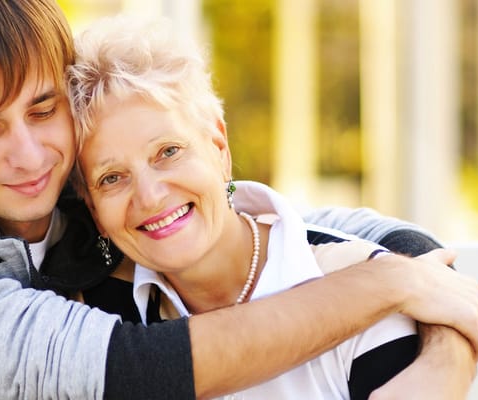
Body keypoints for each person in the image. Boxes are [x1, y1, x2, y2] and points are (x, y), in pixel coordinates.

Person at [0, 1, 478, 399]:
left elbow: (309, 226)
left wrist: (440, 339)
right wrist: (388, 283)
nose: (30, 155)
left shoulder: (77, 211)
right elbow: (136, 371)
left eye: (42, 110)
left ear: (219, 146)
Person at [66, 14, 443, 399]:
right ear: (94, 210)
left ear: (219, 148)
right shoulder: (101, 319)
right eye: (112, 177)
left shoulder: (367, 284)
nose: (149, 196)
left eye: (168, 151)